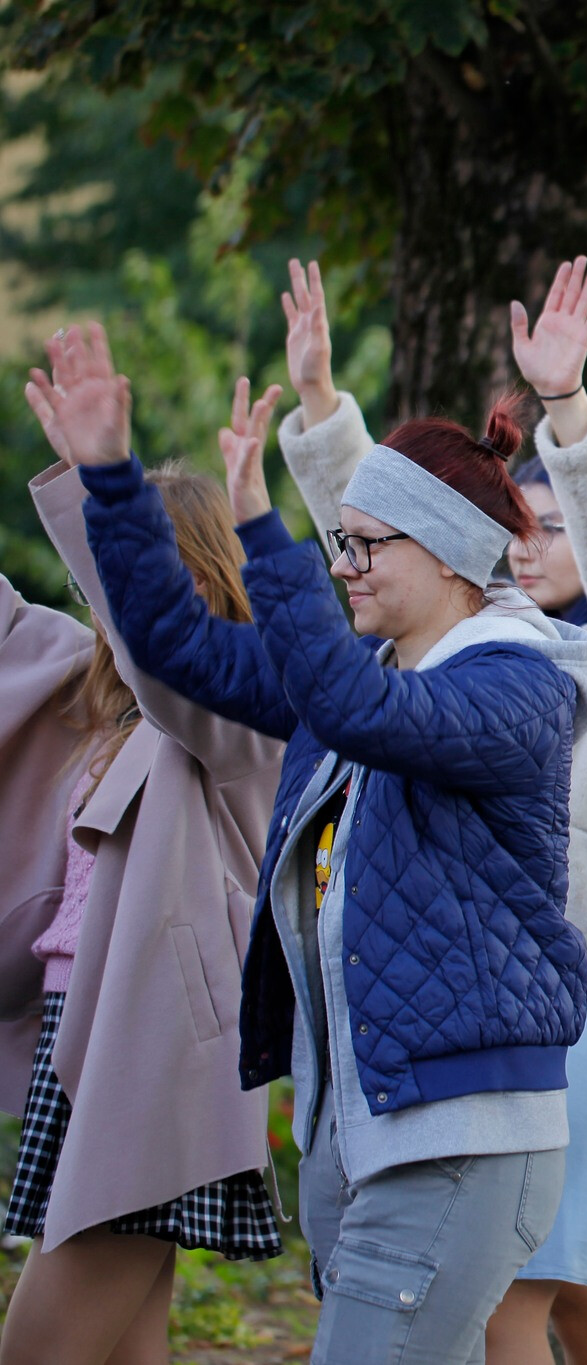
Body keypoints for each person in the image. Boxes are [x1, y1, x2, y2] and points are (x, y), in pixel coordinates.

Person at [60, 322, 587, 1363]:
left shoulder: (519, 686)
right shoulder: (371, 672)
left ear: (445, 552)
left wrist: (266, 530)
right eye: (337, 544)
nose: (344, 567)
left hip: (463, 1138)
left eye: (362, 545)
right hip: (363, 1133)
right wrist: (113, 481)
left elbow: (358, 715)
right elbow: (177, 648)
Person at [262, 257, 587, 1365]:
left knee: (511, 1309)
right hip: (497, 1004)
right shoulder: (468, 649)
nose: (532, 539)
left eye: (558, 526)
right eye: (520, 523)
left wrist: (571, 420)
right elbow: (403, 541)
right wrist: (325, 413)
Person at [0, 333, 285, 1365]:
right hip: (95, 1044)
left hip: (163, 1064)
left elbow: (156, 653)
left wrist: (100, 489)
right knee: (128, 1351)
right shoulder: (105, 701)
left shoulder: (239, 706)